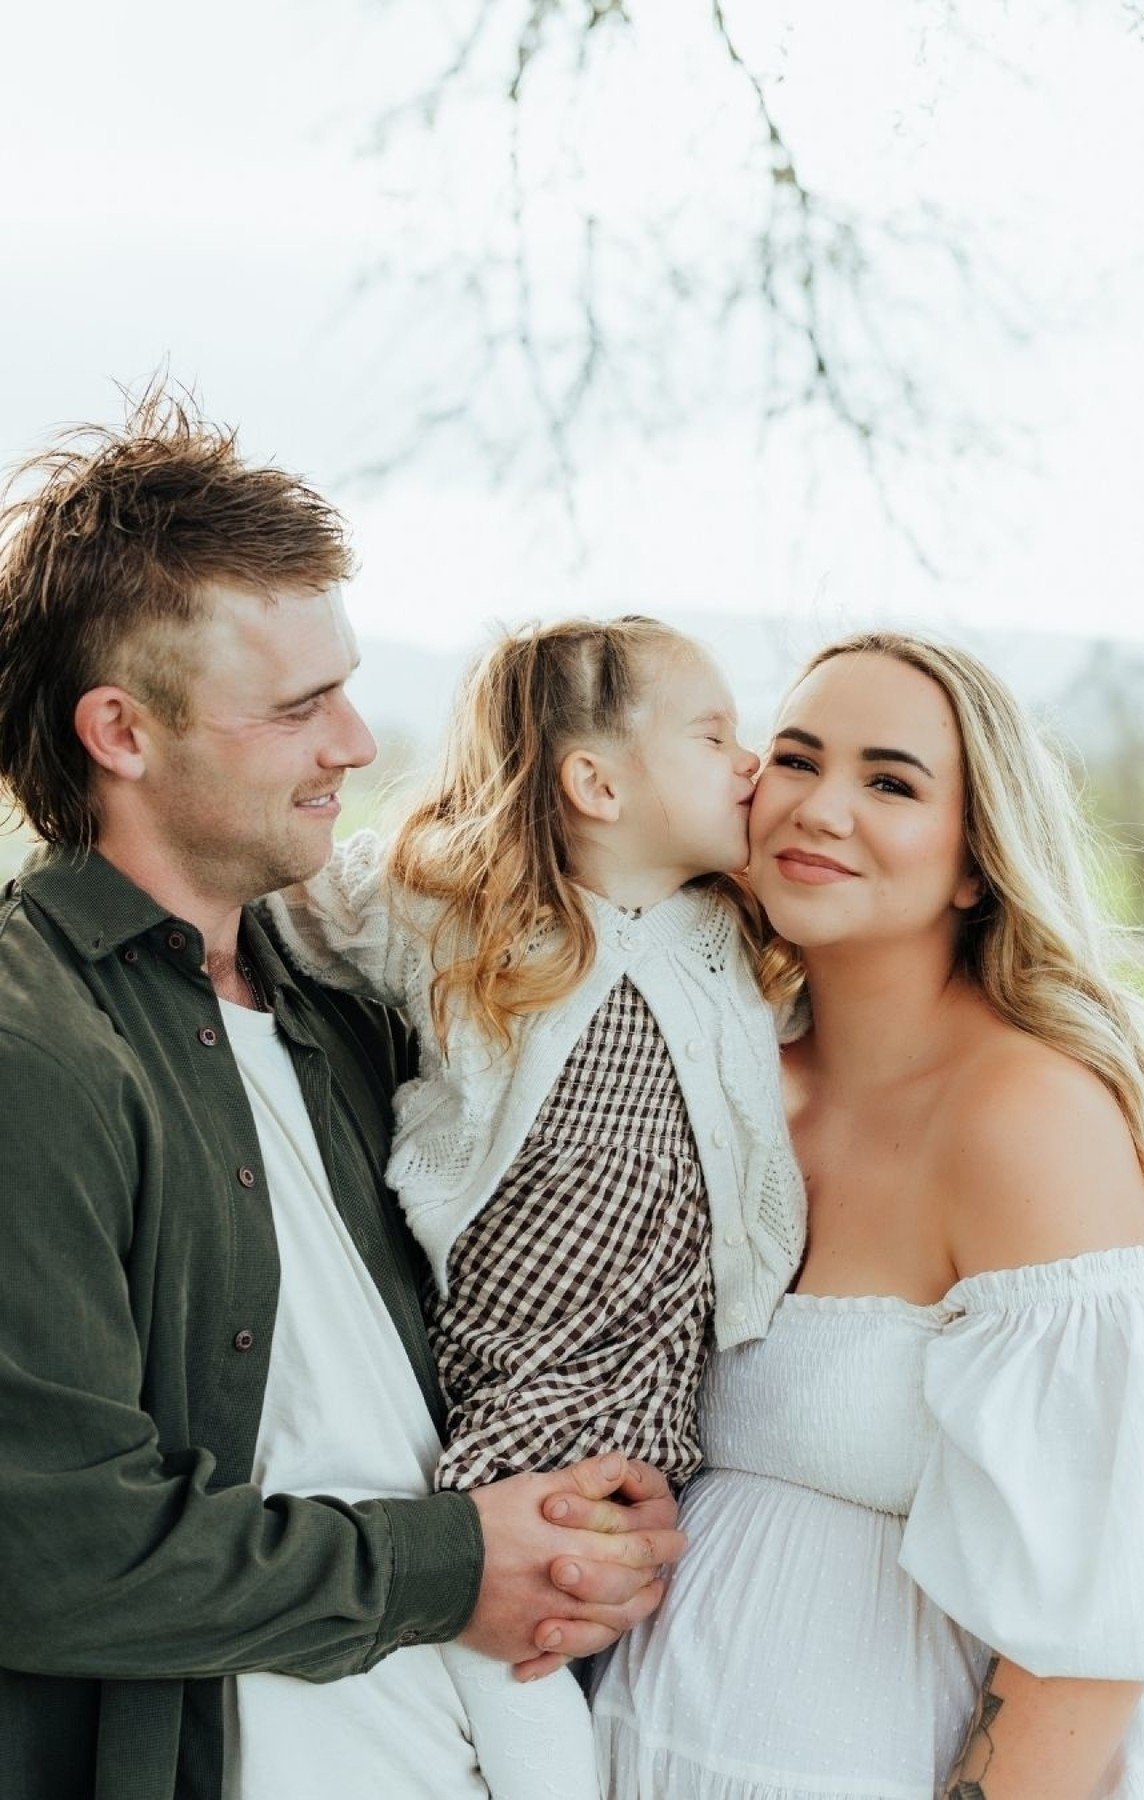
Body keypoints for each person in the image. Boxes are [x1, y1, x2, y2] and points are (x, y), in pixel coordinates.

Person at [0, 392, 685, 1800]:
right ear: (122, 731)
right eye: (300, 706)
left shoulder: (350, 1014)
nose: (358, 744)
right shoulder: (33, 1048)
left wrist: (580, 1508)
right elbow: (58, 1555)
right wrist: (459, 1567)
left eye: (349, 686)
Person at [591, 632, 1144, 1798]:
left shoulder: (1026, 1117)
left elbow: (1100, 1618)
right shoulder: (729, 1072)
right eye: (798, 759)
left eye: (891, 782)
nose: (820, 807)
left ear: (974, 861)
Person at [264, 616, 806, 1799]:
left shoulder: (737, 930)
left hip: (662, 1365)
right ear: (597, 781)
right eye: (715, 735)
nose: (751, 762)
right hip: (525, 1365)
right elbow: (279, 907)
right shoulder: (460, 906)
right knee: (522, 1653)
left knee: (618, 1634)